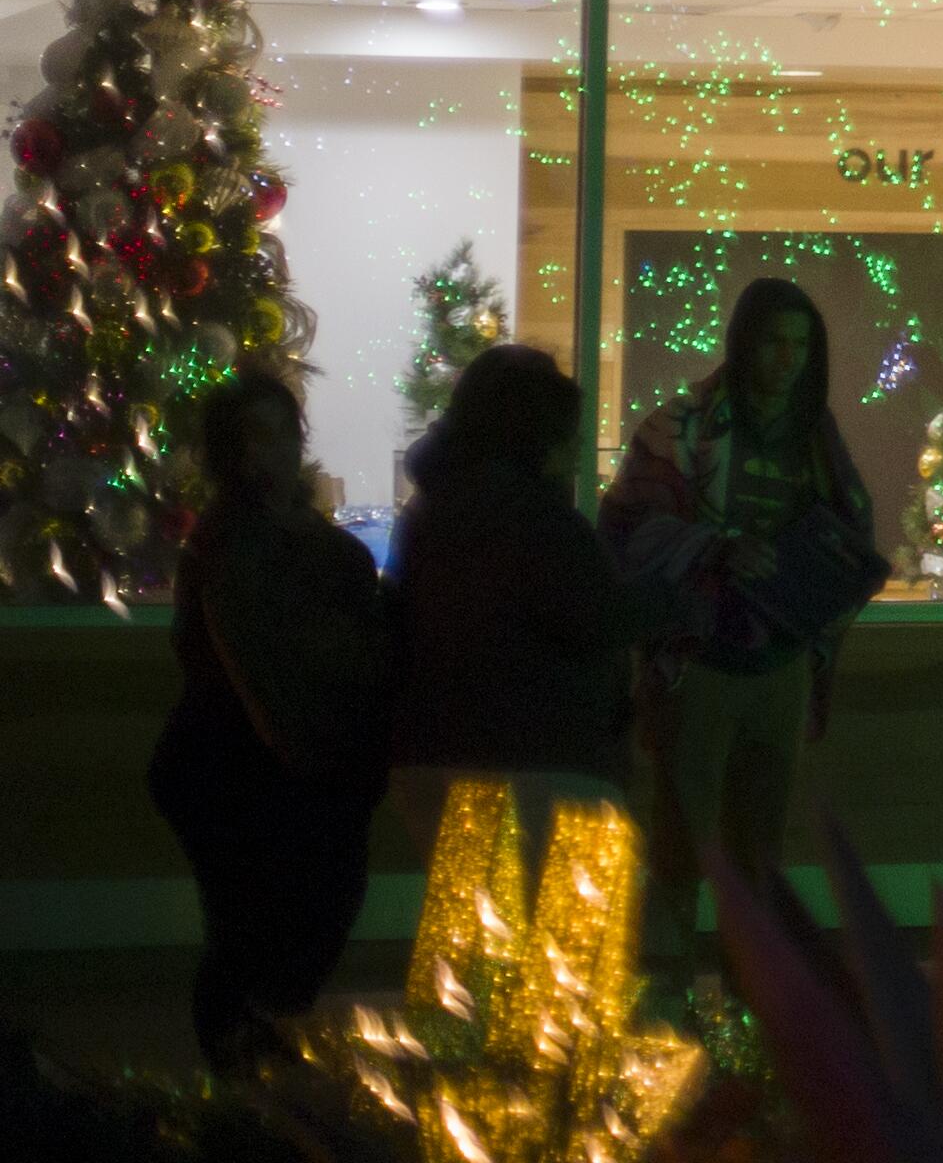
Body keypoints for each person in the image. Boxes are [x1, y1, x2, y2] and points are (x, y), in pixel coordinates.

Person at [603, 277, 890, 964]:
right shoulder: (681, 426)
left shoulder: (817, 436)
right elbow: (624, 529)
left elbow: (853, 528)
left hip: (780, 665)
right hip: (698, 662)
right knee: (681, 847)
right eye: (773, 342)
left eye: (800, 345)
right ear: (742, 343)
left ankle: (754, 1011)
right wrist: (715, 547)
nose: (786, 360)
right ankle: (666, 1010)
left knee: (758, 855)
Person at [152, 369, 391, 1066]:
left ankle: (256, 1074)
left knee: (283, 934)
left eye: (287, 431)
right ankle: (247, 1080)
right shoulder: (236, 545)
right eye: (263, 436)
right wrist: (319, 763)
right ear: (236, 451)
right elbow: (262, 668)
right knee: (257, 939)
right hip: (243, 772)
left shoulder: (287, 535)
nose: (281, 450)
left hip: (275, 771)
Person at [388, 345, 655, 797]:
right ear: (536, 435)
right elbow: (595, 618)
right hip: (549, 768)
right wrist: (668, 598)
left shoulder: (431, 514)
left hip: (445, 764)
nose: (580, 445)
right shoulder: (537, 523)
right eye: (568, 432)